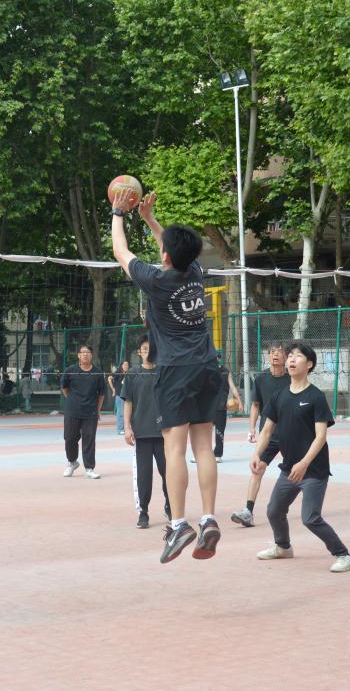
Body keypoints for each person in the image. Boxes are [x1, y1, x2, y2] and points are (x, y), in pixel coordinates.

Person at [111, 190, 227, 564]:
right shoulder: (195, 272)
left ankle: (178, 524)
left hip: (175, 371)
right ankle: (208, 518)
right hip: (208, 366)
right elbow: (175, 250)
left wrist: (118, 212)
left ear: (164, 256)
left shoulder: (157, 281)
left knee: (173, 448)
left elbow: (120, 251)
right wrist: (149, 218)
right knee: (203, 447)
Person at [250, 342, 350, 573]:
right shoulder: (278, 396)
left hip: (313, 470)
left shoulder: (315, 396)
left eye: (297, 356)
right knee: (274, 511)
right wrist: (257, 454)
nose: (291, 359)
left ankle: (343, 554)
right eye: (290, 356)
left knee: (310, 518)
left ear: (309, 365)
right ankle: (283, 547)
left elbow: (321, 436)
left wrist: (304, 463)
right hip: (289, 469)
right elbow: (266, 431)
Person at [231, 341, 291, 527]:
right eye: (272, 352)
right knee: (257, 468)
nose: (275, 355)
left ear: (286, 356)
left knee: (299, 472)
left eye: (279, 352)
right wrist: (252, 428)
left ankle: (310, 506)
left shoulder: (293, 378)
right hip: (269, 434)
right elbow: (256, 405)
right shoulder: (261, 379)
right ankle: (248, 512)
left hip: (291, 434)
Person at [122, 335, 170, 528]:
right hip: (141, 432)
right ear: (139, 352)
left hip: (164, 432)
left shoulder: (163, 372)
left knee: (168, 472)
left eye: (151, 348)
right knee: (144, 475)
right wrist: (127, 428)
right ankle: (143, 511)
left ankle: (171, 505)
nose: (148, 351)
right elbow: (128, 402)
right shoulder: (133, 374)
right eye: (144, 348)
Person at [60, 343, 106, 479]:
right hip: (72, 411)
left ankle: (89, 468)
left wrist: (97, 410)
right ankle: (72, 462)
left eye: (88, 352)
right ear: (79, 355)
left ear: (91, 355)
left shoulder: (98, 372)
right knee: (69, 438)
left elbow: (101, 394)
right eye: (83, 352)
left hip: (90, 412)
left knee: (89, 439)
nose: (85, 354)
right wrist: (72, 400)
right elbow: (64, 388)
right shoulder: (70, 370)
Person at [211, 357, 242, 463]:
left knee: (218, 432)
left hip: (218, 406)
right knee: (207, 432)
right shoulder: (219, 370)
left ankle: (217, 454)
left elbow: (232, 387)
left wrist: (239, 402)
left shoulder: (224, 371)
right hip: (210, 406)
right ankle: (204, 454)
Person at [109, 360, 130, 436]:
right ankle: (120, 429)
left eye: (127, 365)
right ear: (121, 366)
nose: (126, 366)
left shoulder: (128, 374)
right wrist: (113, 389)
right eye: (124, 365)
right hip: (119, 395)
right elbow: (109, 378)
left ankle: (125, 428)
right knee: (120, 412)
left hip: (127, 396)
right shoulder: (118, 373)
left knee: (127, 412)